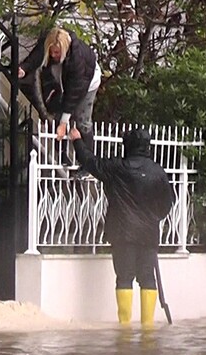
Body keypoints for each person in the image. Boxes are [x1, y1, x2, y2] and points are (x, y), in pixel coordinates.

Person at [69, 126, 175, 326]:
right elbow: (168, 203)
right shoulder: (158, 172)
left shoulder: (117, 167)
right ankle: (148, 328)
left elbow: (90, 162)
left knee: (124, 277)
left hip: (122, 233)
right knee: (147, 278)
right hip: (148, 234)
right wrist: (153, 219)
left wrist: (77, 140)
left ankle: (124, 329)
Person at [19, 27, 101, 178]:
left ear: (64, 48)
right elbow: (37, 56)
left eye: (56, 52)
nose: (52, 55)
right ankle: (62, 154)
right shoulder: (50, 41)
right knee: (58, 111)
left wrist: (64, 122)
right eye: (51, 52)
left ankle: (88, 165)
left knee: (82, 120)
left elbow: (74, 93)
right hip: (63, 77)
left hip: (87, 83)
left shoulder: (79, 58)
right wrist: (24, 68)